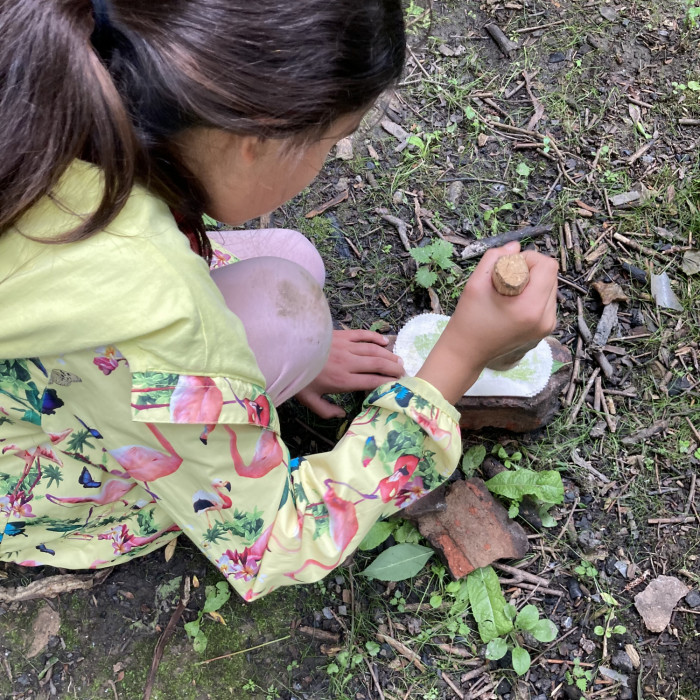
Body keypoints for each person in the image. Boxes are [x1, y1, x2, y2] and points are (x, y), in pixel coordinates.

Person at [0, 0, 558, 601]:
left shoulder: (46, 74)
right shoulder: (150, 309)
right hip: (36, 476)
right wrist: (460, 359)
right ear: (256, 140)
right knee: (281, 308)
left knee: (290, 272)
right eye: (335, 138)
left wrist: (288, 358)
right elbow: (271, 542)